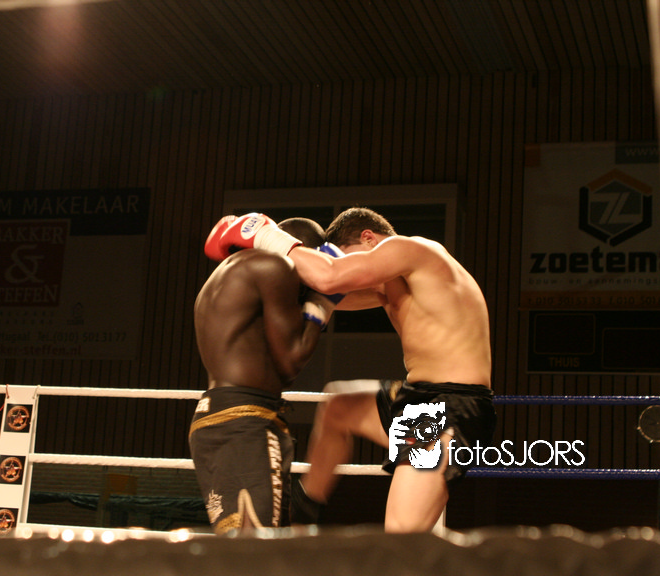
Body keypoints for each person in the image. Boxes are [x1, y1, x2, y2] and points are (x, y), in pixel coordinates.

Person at [205, 207, 496, 532]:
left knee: (402, 532)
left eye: (348, 257)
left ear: (368, 238)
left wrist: (262, 234)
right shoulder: (396, 284)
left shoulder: (410, 248)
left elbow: (330, 276)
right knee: (338, 407)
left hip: (450, 406)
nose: (351, 266)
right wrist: (260, 269)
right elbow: (328, 291)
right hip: (418, 399)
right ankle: (303, 513)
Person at [190, 217, 341, 535]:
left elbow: (277, 372)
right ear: (305, 251)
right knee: (254, 544)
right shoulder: (277, 266)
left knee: (248, 543)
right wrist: (322, 304)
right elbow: (292, 360)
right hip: (246, 422)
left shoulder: (229, 273)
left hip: (217, 416)